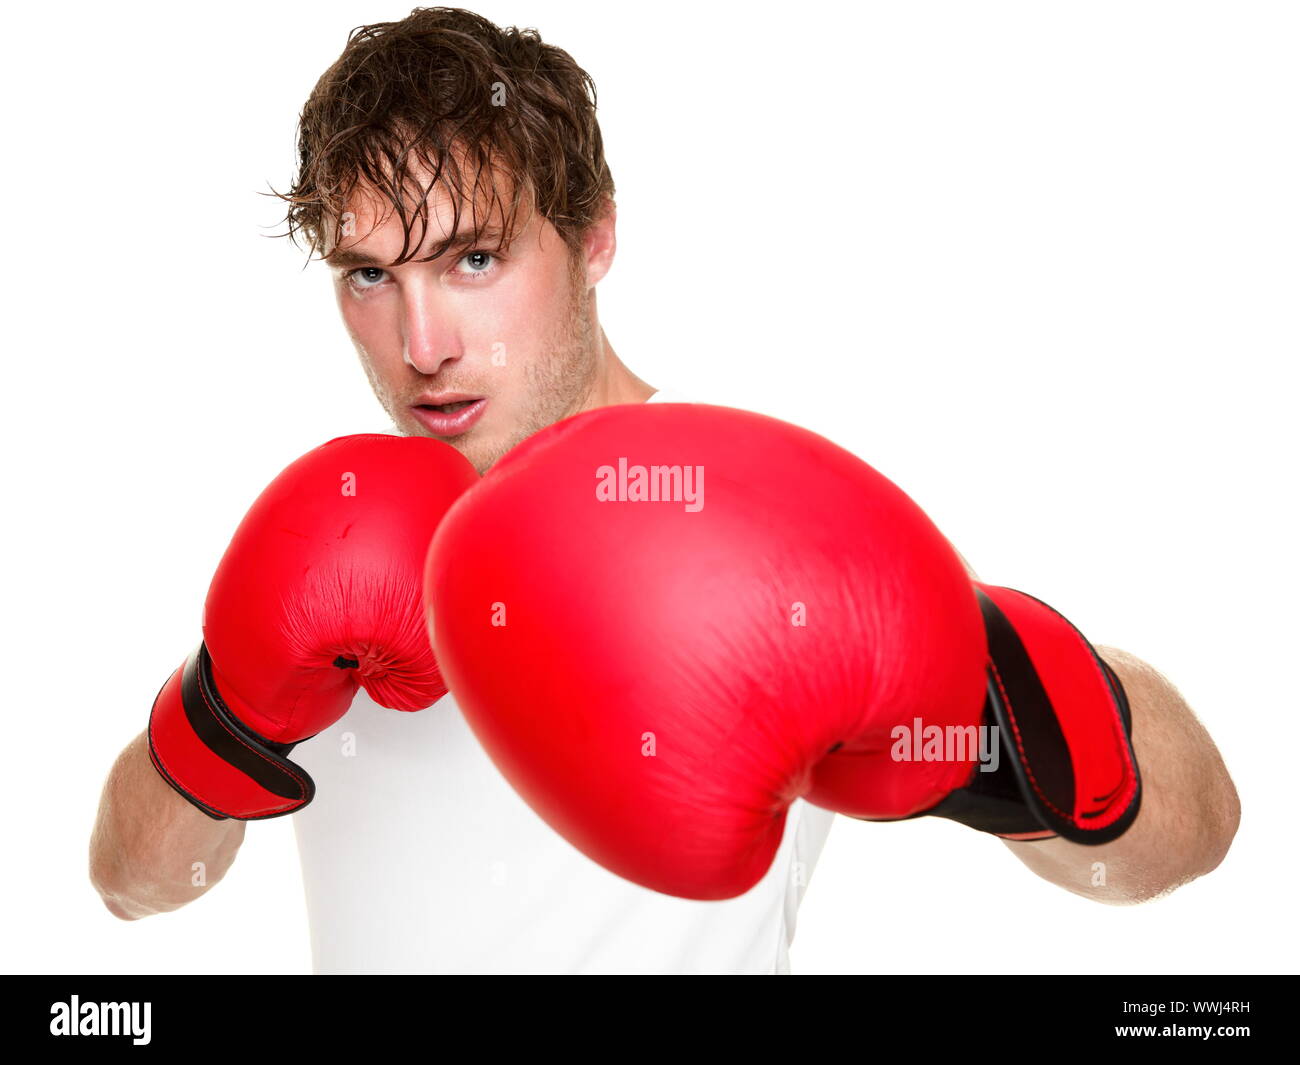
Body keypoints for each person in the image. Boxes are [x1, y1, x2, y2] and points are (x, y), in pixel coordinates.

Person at [89, 6, 1240, 974]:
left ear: (591, 238)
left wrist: (980, 702)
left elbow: (1185, 839)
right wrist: (229, 712)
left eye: (472, 259)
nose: (420, 341)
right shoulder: (339, 534)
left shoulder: (728, 516)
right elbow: (131, 885)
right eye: (370, 277)